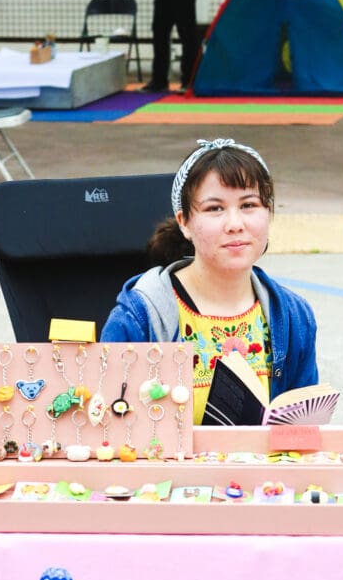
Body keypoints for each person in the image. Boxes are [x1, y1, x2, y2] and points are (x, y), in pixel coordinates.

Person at [101, 138, 319, 425]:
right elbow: (109, 422)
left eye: (249, 205)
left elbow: (304, 431)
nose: (235, 224)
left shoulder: (292, 316)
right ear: (184, 222)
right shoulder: (141, 316)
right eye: (215, 208)